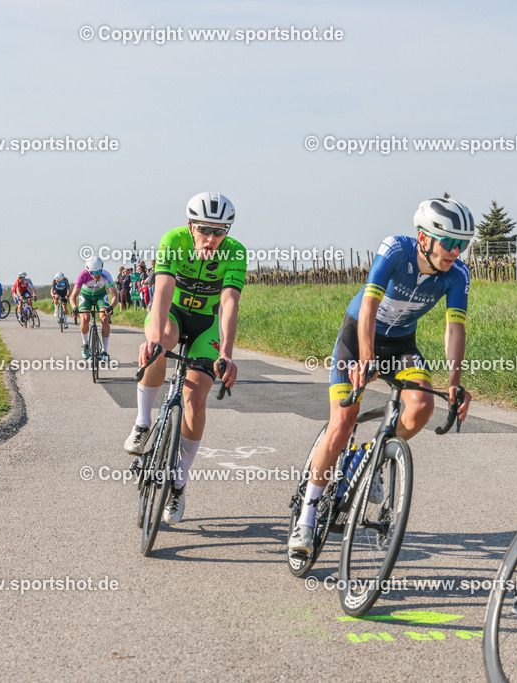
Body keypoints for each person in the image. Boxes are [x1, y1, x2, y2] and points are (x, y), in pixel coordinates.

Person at [288, 195, 474, 554]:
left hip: (402, 344)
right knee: (342, 423)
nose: (457, 251)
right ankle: (307, 516)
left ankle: (367, 458)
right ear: (424, 238)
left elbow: (455, 329)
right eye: (450, 242)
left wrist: (454, 384)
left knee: (420, 406)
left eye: (463, 244)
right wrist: (366, 358)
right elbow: (370, 304)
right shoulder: (394, 250)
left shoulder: (458, 275)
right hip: (359, 336)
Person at [125, 191, 245, 525]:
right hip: (174, 315)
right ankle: (143, 421)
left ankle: (178, 482)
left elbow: (230, 303)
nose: (211, 238)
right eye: (205, 229)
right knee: (160, 344)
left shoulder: (235, 253)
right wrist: (153, 339)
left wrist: (226, 354)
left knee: (196, 397)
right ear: (190, 225)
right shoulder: (173, 241)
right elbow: (162, 290)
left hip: (206, 324)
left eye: (219, 232)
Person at [70, 256, 117, 360]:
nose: (97, 275)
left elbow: (114, 295)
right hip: (85, 296)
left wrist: (111, 307)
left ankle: (104, 351)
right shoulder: (83, 275)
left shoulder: (106, 275)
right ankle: (85, 344)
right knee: (85, 318)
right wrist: (74, 307)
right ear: (88, 271)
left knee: (104, 318)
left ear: (102, 269)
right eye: (93, 273)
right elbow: (73, 296)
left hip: (100, 295)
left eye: (99, 271)